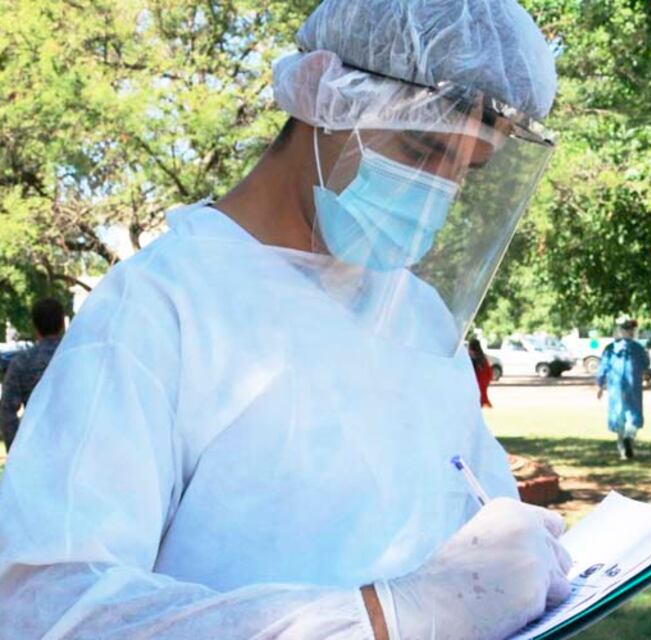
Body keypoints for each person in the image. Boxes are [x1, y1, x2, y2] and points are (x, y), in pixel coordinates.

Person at [0, 2, 574, 639]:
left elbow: (475, 524)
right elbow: (51, 609)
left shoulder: (417, 315)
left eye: (463, 171)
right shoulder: (161, 307)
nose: (436, 191)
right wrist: (390, 618)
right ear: (321, 98)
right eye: (420, 147)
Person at [0, 298, 65, 452]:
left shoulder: (23, 362)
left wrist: (17, 450)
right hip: (75, 451)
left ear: (34, 325)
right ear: (62, 323)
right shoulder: (78, 358)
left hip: (38, 449)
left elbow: (7, 409)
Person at [596, 318, 650, 460]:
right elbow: (646, 364)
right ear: (633, 331)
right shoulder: (638, 348)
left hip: (615, 386)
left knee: (618, 414)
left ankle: (622, 450)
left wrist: (599, 385)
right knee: (634, 414)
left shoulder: (610, 349)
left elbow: (602, 368)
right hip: (633, 385)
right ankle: (629, 437)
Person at [469, 338, 494, 408]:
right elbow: (489, 373)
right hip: (482, 387)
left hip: (475, 389)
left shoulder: (473, 359)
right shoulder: (483, 358)